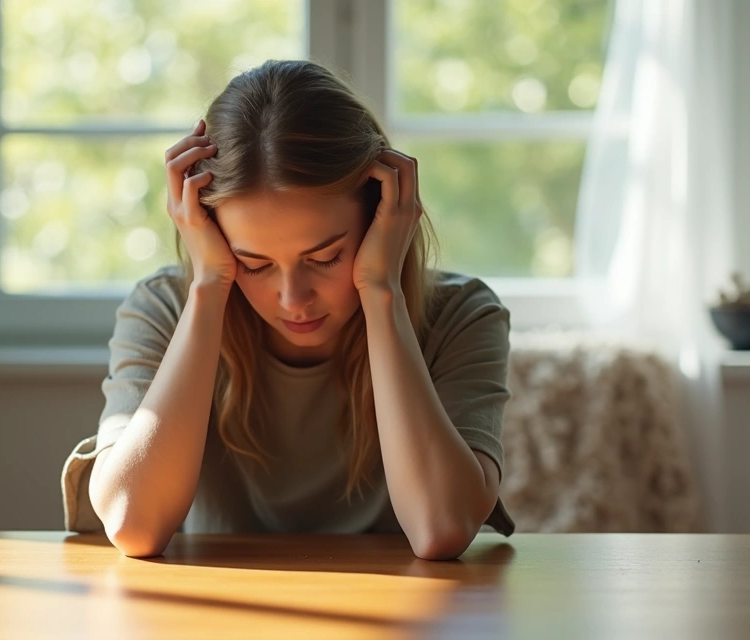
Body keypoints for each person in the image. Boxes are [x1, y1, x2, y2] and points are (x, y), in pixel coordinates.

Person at [60, 59, 515, 561]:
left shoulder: (461, 316)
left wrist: (381, 289)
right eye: (254, 264)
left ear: (382, 218)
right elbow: (134, 523)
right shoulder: (164, 310)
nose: (293, 299)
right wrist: (210, 286)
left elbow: (440, 528)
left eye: (325, 257)